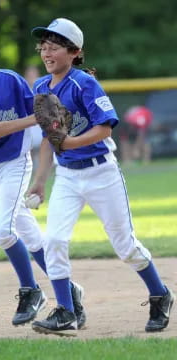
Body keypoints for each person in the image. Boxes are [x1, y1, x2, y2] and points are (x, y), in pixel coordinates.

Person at [28, 18, 174, 336]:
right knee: (53, 240)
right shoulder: (40, 88)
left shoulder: (83, 83)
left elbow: (105, 128)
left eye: (55, 45)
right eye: (44, 45)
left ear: (75, 51)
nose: (47, 51)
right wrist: (40, 180)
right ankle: (66, 310)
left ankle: (161, 293)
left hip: (101, 172)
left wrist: (69, 143)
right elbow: (47, 140)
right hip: (66, 176)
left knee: (125, 247)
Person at [0, 23, 85, 329]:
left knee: (2, 230)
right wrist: (38, 117)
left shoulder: (10, 80)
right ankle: (70, 293)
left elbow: (42, 110)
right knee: (29, 232)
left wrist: (53, 117)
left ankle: (31, 290)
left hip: (15, 163)